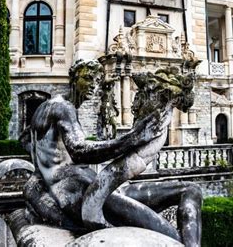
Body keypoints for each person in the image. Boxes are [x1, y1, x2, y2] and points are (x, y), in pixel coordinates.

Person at [19, 60, 202, 246]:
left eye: (97, 80)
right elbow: (79, 152)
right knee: (171, 236)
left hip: (86, 187)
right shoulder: (63, 108)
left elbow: (25, 140)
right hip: (74, 195)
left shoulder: (47, 107)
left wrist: (43, 170)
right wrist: (134, 137)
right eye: (88, 78)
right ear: (74, 78)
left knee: (191, 190)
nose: (93, 85)